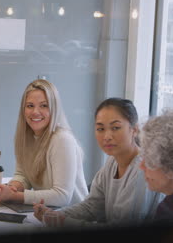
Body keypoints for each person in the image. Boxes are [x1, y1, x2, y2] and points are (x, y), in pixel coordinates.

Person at [34, 97, 162, 228]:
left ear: (134, 130)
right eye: (100, 129)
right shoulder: (112, 161)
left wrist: (62, 221)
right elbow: (92, 207)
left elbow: (121, 233)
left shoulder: (142, 170)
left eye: (115, 128)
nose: (107, 136)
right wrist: (55, 214)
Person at [0, 79, 88, 207]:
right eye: (30, 106)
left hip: (72, 218)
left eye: (44, 105)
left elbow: (62, 196)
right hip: (46, 213)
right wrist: (11, 188)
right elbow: (23, 175)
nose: (35, 112)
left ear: (54, 108)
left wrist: (15, 196)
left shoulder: (62, 140)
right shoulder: (24, 137)